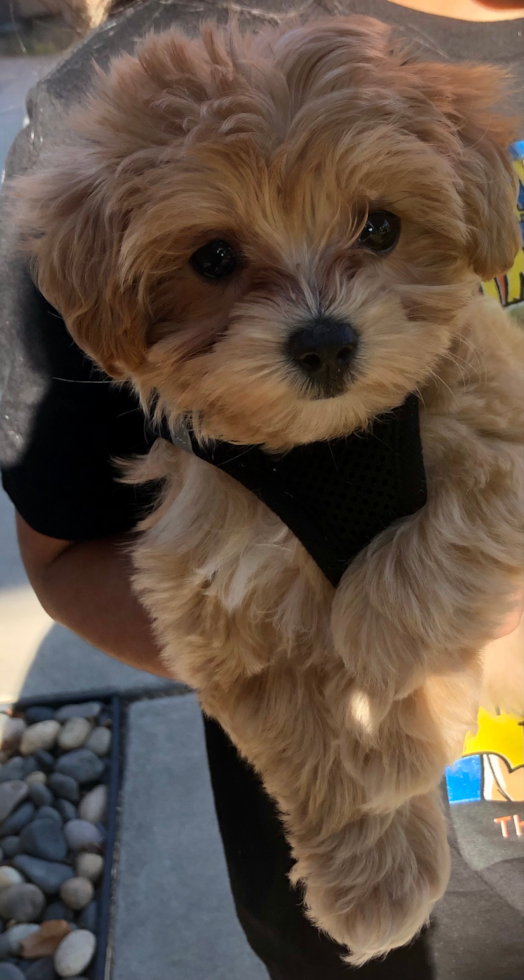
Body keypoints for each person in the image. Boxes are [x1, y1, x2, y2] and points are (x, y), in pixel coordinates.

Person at [1, 2, 522, 977]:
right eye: (216, 261)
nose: (318, 319)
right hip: (358, 925)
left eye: (371, 228)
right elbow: (70, 552)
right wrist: (310, 680)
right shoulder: (96, 114)